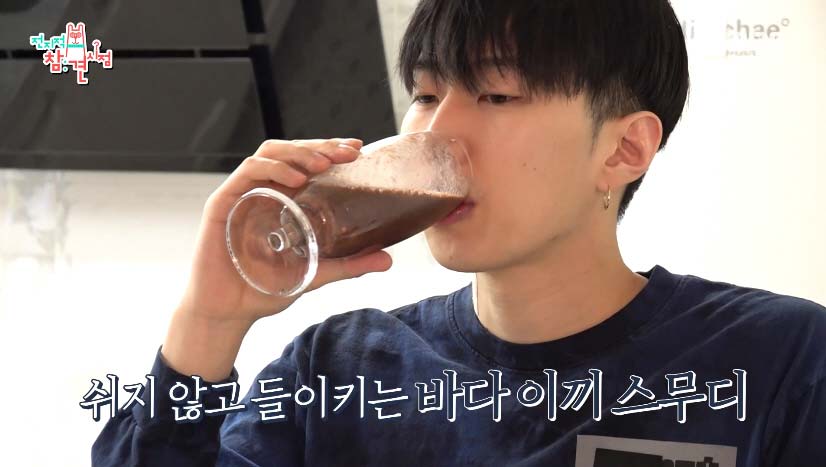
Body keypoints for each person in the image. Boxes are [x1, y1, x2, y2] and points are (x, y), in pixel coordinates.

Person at [92, 0, 826, 465]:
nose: (437, 133)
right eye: (425, 93)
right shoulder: (337, 373)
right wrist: (209, 322)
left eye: (497, 94)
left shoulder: (779, 363)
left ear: (624, 149)